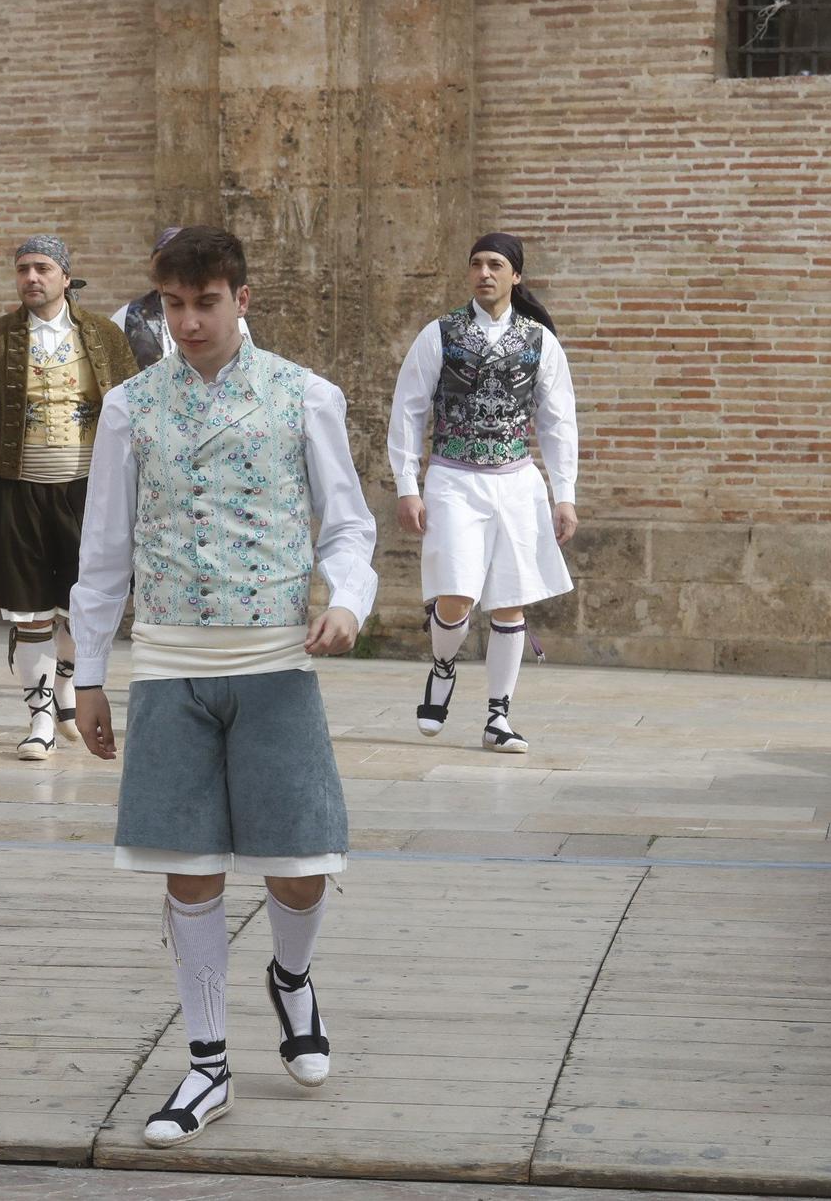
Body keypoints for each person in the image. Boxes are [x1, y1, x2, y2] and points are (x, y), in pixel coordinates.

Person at [69, 225, 377, 1147]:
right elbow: (104, 552)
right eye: (174, 304)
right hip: (169, 660)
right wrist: (87, 672)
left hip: (277, 656)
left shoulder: (304, 395)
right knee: (187, 865)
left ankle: (291, 978)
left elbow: (348, 525)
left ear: (243, 298)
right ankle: (207, 1062)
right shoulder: (129, 406)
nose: (190, 320)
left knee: (300, 862)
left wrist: (348, 601)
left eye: (207, 302)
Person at [389, 232, 578, 754]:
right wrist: (408, 484)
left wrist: (565, 494)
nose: (484, 273)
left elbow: (560, 422)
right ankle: (444, 666)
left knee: (511, 602)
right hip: (453, 477)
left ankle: (499, 716)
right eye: (476, 264)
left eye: (496, 265)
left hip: (517, 482)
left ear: (516, 275)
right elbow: (408, 409)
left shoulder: (540, 340)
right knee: (457, 592)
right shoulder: (440, 333)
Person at [0, 235, 137, 756]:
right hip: (16, 493)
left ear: (66, 276)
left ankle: (67, 685)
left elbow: (133, 414)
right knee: (29, 609)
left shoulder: (105, 337)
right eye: (23, 269)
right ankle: (39, 715)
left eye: (41, 268)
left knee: (81, 605)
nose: (31, 278)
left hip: (89, 492)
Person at [110, 227, 253, 371]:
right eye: (174, 303)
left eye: (206, 304)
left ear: (241, 301)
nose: (189, 325)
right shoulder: (127, 316)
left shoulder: (272, 385)